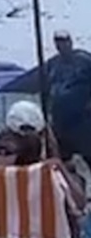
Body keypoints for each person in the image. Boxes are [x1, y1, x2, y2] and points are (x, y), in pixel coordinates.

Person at [47, 30, 91, 163]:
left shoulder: (85, 60)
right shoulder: (53, 64)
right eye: (58, 42)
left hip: (82, 119)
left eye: (64, 41)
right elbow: (48, 88)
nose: (61, 45)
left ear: (70, 42)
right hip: (61, 121)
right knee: (63, 160)